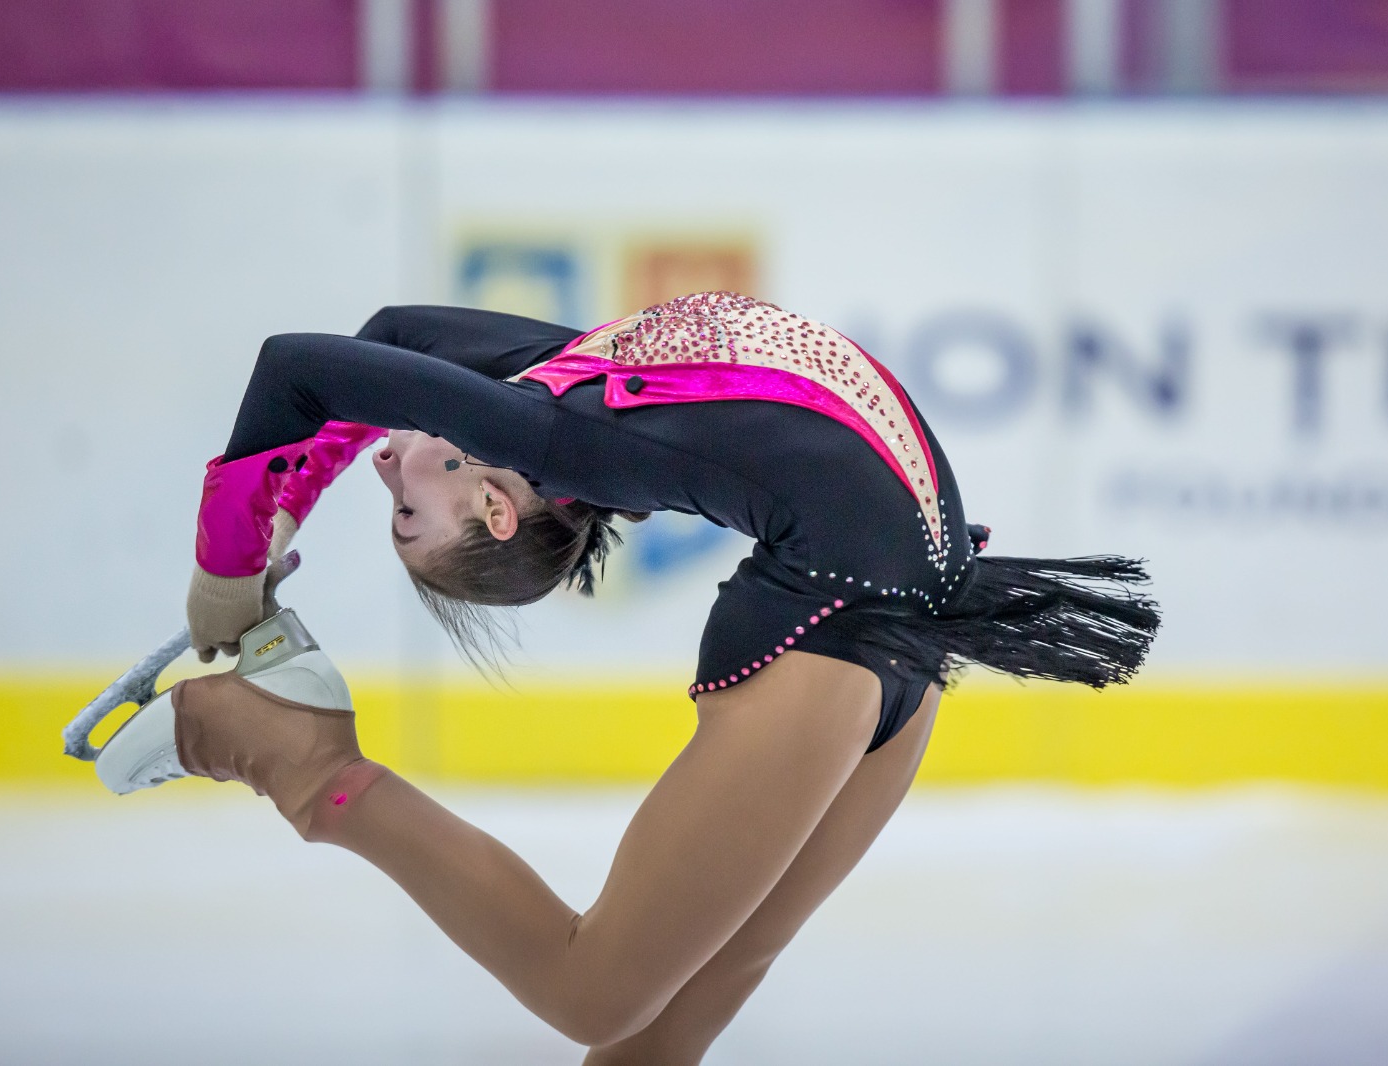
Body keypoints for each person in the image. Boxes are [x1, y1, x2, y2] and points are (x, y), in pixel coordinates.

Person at [158, 291, 1157, 1062]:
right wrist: (260, 538)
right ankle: (308, 765)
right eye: (406, 515)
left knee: (671, 1019)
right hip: (848, 615)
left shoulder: (550, 387)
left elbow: (362, 348)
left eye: (397, 513)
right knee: (603, 994)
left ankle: (296, 754)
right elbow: (322, 374)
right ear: (497, 510)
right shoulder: (547, 430)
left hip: (900, 619)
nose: (385, 472)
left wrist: (236, 566)